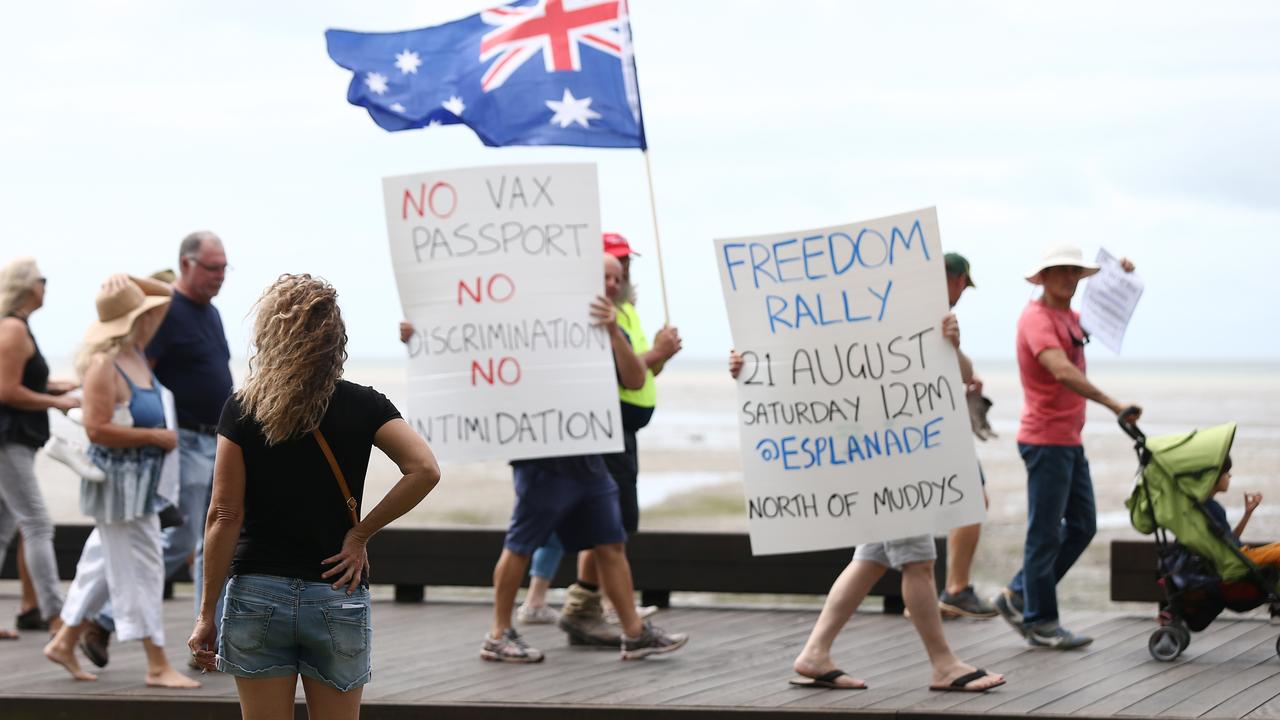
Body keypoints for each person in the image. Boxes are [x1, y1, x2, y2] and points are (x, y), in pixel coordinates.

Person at [188, 274, 441, 720]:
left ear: (269, 334)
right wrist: (360, 535)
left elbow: (224, 514)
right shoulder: (365, 405)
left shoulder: (244, 408)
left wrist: (207, 612)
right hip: (336, 591)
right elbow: (424, 469)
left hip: (257, 592)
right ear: (334, 337)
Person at [729, 315, 1005, 692]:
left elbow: (963, 374)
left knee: (870, 558)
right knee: (919, 561)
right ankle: (943, 664)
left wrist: (953, 343)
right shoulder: (847, 318)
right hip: (880, 457)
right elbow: (793, 365)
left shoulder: (910, 316)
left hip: (896, 450)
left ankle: (815, 652)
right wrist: (751, 368)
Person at [482, 254, 688, 663]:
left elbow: (633, 378)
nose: (612, 284)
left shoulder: (609, 323)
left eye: (617, 277)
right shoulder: (536, 319)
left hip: (590, 455)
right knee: (521, 543)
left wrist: (612, 331)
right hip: (542, 453)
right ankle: (498, 633)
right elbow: (475, 347)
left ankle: (634, 633)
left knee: (611, 541)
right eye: (604, 276)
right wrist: (416, 337)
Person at [84, 231, 234, 668]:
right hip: (183, 441)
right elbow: (138, 378)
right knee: (178, 539)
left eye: (225, 267)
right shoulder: (169, 312)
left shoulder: (213, 314)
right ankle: (104, 620)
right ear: (185, 265)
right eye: (211, 267)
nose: (220, 276)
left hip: (220, 440)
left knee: (218, 539)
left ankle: (208, 644)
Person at [43, 274, 199, 687]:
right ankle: (156, 664)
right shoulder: (104, 365)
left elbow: (168, 296)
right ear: (135, 319)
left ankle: (64, 641)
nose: (154, 316)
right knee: (143, 570)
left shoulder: (136, 352)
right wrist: (156, 436)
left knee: (99, 565)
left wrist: (130, 279)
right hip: (120, 491)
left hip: (143, 488)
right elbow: (95, 430)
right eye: (143, 312)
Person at [993, 245, 1142, 649]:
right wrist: (1114, 405)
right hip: (1045, 441)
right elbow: (1061, 370)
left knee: (1082, 525)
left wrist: (1121, 277)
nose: (1068, 278)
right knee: (1043, 534)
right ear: (1041, 277)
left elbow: (1108, 312)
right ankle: (1041, 621)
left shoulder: (1071, 317)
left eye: (1074, 272)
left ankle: (1020, 594)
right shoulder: (1036, 318)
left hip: (1067, 441)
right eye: (1059, 271)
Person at [0, 257, 78, 640]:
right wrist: (55, 403)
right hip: (8, 439)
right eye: (43, 279)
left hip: (15, 438)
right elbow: (7, 391)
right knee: (37, 523)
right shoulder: (13, 328)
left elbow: (16, 382)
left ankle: (49, 612)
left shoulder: (18, 328)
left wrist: (53, 389)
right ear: (29, 286)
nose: (46, 286)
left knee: (3, 528)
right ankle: (55, 616)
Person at [936, 253, 997, 620]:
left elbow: (959, 368)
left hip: (933, 424)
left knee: (970, 498)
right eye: (963, 285)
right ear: (957, 279)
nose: (962, 293)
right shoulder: (936, 313)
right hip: (932, 427)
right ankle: (955, 588)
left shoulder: (932, 314)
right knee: (974, 497)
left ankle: (945, 591)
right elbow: (959, 368)